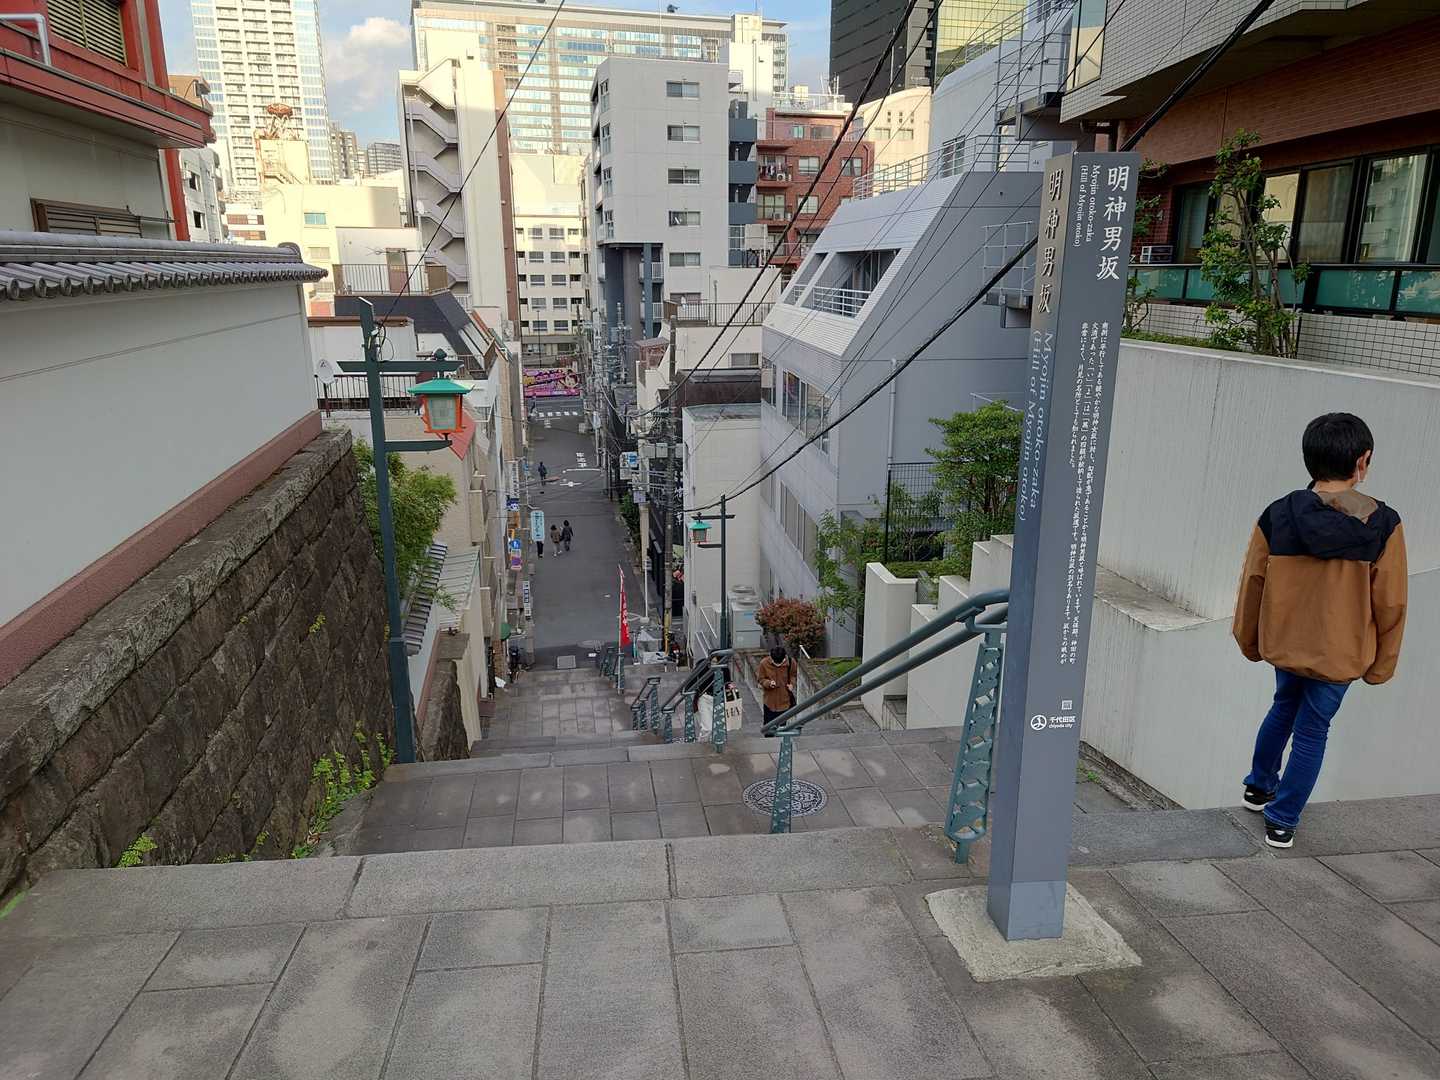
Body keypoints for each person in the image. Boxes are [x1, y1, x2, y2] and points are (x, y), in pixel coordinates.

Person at [1233, 413, 1407, 849]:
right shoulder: (1384, 524)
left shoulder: (1277, 514)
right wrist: (1381, 666)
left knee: (1282, 707)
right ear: (1362, 460)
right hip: (1339, 653)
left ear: (1309, 459)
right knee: (1313, 730)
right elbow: (1391, 602)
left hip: (1286, 643)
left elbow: (1253, 582)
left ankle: (1258, 787)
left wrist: (1250, 641)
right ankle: (1282, 821)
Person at [757, 645, 796, 734]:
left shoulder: (791, 662)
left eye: (780, 662)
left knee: (781, 728)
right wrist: (768, 683)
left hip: (784, 702)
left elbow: (793, 675)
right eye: (775, 663)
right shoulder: (764, 663)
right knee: (768, 728)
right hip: (769, 702)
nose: (778, 665)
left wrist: (792, 684)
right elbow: (760, 679)